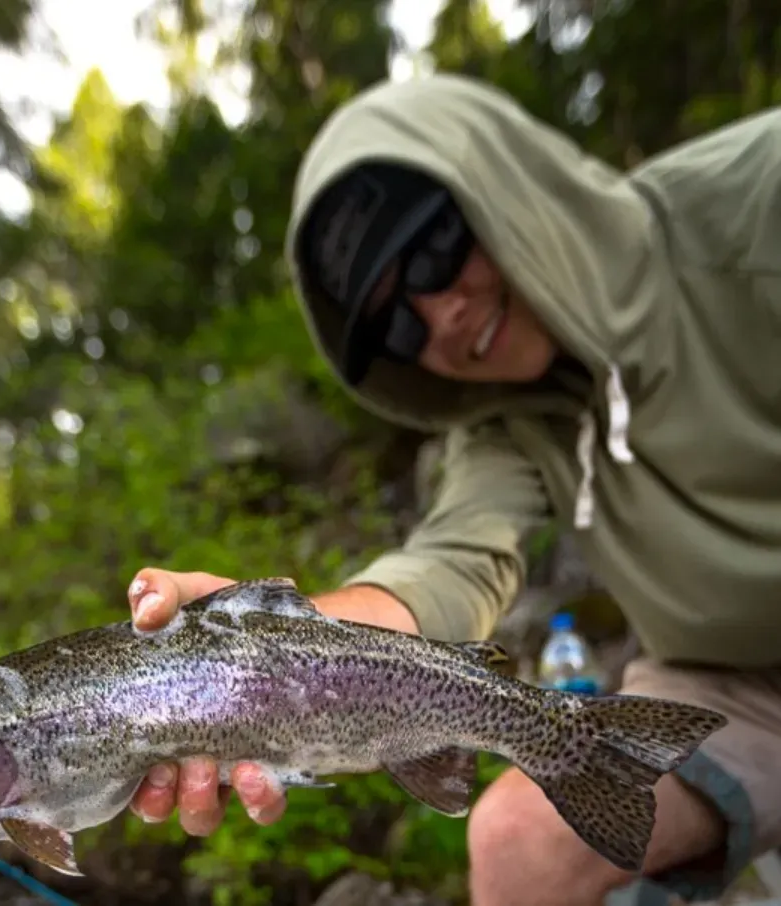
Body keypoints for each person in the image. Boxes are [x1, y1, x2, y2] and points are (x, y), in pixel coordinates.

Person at [122, 73, 781, 906]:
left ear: (502, 181)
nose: (442, 318)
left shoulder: (756, 201)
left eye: (433, 250)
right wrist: (272, 646)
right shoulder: (503, 427)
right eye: (397, 323)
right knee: (512, 842)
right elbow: (450, 570)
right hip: (726, 682)